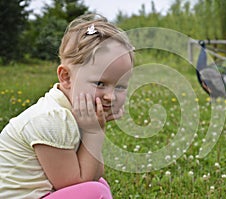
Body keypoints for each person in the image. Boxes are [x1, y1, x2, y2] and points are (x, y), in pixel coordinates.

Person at [0, 13, 134, 198]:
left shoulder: (73, 113)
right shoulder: (52, 119)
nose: (111, 96)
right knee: (96, 191)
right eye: (100, 84)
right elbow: (75, 184)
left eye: (119, 86)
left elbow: (94, 173)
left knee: (100, 185)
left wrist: (95, 129)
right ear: (66, 77)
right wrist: (94, 132)